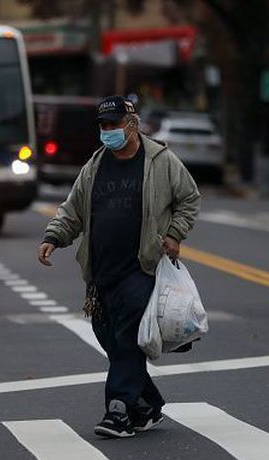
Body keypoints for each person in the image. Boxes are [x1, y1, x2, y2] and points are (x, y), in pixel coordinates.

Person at [37, 96, 200, 438]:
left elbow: (189, 198)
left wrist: (174, 233)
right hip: (101, 272)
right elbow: (74, 210)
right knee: (108, 337)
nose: (108, 131)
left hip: (141, 267)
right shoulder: (95, 165)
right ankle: (147, 405)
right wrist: (54, 237)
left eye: (114, 124)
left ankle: (118, 411)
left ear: (132, 123)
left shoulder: (161, 161)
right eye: (104, 126)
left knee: (127, 336)